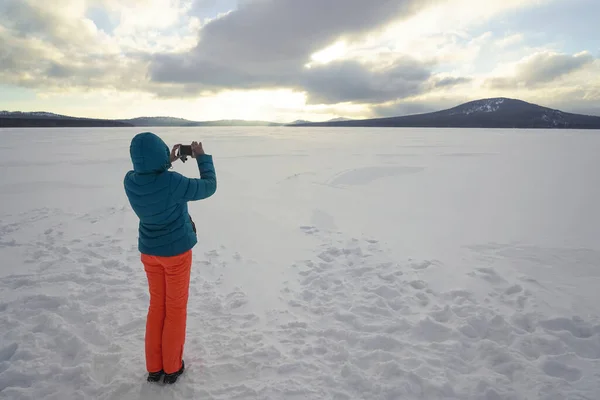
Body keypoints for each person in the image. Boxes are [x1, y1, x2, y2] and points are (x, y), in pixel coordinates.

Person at [123, 132, 217, 384]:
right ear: (161, 153)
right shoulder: (173, 182)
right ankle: (172, 367)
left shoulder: (130, 180)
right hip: (175, 254)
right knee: (175, 309)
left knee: (157, 307)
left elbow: (150, 175)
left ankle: (155, 367)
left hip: (149, 253)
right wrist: (202, 158)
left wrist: (167, 162)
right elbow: (209, 186)